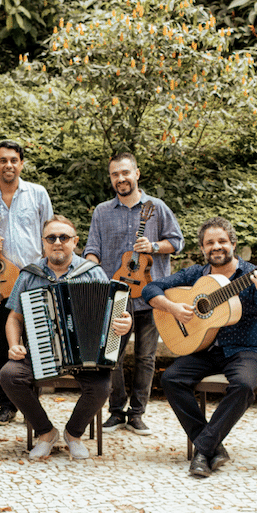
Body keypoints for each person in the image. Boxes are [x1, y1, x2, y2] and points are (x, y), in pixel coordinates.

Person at [143, 217, 257, 477]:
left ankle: (204, 449)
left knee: (241, 385)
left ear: (233, 244)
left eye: (221, 241)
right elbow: (150, 288)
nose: (216, 246)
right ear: (203, 248)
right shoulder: (196, 274)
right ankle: (213, 446)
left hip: (246, 350)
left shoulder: (252, 275)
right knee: (171, 378)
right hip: (204, 349)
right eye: (210, 243)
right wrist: (172, 307)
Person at [0, 216, 132, 460]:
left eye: (64, 237)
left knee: (102, 386)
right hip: (40, 351)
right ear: (43, 242)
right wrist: (14, 345)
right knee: (9, 375)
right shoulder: (30, 275)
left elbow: (115, 315)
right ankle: (46, 432)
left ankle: (73, 434)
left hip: (84, 355)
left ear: (75, 242)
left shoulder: (93, 273)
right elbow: (14, 317)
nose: (57, 242)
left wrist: (124, 323)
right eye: (51, 238)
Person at [84, 151, 184, 436]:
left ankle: (137, 413)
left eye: (125, 173)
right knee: (112, 355)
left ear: (137, 174)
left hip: (152, 294)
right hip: (116, 294)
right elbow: (92, 249)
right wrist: (93, 274)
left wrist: (153, 247)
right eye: (115, 174)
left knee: (146, 357)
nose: (121, 179)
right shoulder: (102, 211)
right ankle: (116, 411)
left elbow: (177, 242)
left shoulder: (157, 207)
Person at [0, 140, 53, 427]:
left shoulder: (38, 194)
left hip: (34, 278)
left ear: (22, 163)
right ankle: (6, 404)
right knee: (1, 342)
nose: (9, 165)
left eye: (14, 160)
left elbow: (50, 236)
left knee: (38, 340)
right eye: (3, 160)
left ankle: (32, 403)